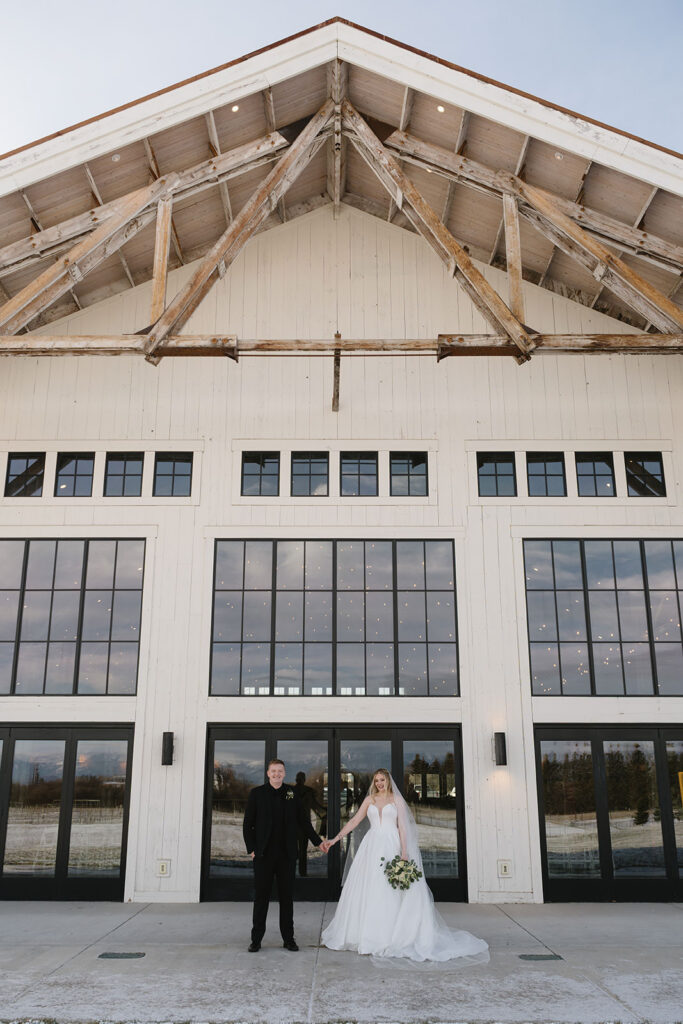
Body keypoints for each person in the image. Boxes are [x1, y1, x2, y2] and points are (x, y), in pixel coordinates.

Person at [321, 769, 489, 964]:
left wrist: (404, 852)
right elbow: (354, 821)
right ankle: (366, 934)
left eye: (382, 780)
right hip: (372, 845)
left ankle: (392, 935)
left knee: (390, 887)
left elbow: (402, 826)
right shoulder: (370, 800)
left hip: (392, 844)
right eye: (376, 781)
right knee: (370, 887)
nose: (379, 784)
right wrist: (334, 839)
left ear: (388, 780)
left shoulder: (396, 800)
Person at [243, 758, 327, 952]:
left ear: (284, 773)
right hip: (263, 855)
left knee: (286, 898)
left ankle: (288, 939)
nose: (276, 774)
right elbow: (248, 824)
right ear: (268, 773)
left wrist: (318, 842)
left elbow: (304, 822)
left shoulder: (292, 794)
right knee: (261, 898)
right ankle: (256, 940)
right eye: (273, 771)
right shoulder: (257, 794)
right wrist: (252, 849)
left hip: (287, 855)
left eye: (280, 771)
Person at [293, 771, 327, 877]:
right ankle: (302, 872)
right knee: (302, 851)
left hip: (295, 825)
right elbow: (315, 805)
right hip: (302, 825)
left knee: (294, 851)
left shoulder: (291, 791)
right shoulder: (308, 791)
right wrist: (324, 812)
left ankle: (293, 872)